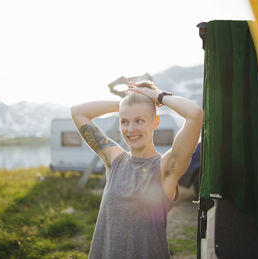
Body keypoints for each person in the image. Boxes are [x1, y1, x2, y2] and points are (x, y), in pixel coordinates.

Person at [71, 81, 203, 258]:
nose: (130, 129)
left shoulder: (166, 167)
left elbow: (195, 114)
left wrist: (158, 97)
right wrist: (126, 105)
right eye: (124, 121)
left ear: (155, 122)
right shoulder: (114, 160)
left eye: (139, 120)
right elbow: (78, 112)